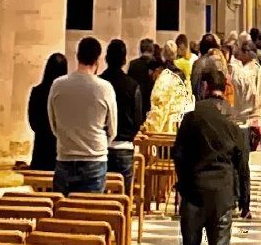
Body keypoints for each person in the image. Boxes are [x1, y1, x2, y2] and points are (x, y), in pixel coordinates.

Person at [172, 64, 251, 245]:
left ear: (204, 87)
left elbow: (179, 156)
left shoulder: (191, 118)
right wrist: (244, 201)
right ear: (224, 90)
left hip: (194, 195)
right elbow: (242, 164)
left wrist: (183, 186)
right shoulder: (232, 122)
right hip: (222, 197)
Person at [46, 36, 117, 193]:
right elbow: (112, 129)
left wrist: (69, 140)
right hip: (94, 159)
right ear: (98, 60)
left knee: (63, 213)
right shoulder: (105, 88)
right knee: (90, 213)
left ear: (77, 56)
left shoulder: (58, 85)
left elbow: (53, 124)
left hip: (65, 156)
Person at [104, 37, 144, 187]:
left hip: (102, 146)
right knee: (124, 200)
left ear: (106, 58)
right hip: (124, 146)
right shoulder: (132, 86)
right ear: (124, 60)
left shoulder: (99, 83)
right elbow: (137, 118)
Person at [26, 52, 67, 173]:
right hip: (60, 148)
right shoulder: (65, 94)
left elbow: (32, 121)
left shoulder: (37, 91)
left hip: (41, 146)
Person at [145, 47, 192, 138]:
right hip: (180, 126)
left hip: (164, 132)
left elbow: (158, 108)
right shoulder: (180, 74)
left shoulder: (163, 80)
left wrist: (150, 129)